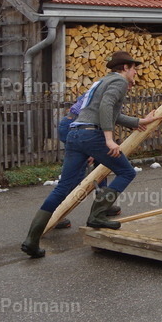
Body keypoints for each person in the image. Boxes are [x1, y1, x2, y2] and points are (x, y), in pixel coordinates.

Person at [21, 51, 158, 258]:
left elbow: (112, 112)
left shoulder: (102, 82)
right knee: (127, 172)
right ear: (124, 68)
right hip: (91, 135)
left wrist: (138, 122)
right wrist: (109, 139)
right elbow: (106, 107)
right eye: (134, 68)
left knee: (63, 188)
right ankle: (98, 215)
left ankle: (31, 240)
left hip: (75, 133)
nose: (136, 73)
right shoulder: (120, 82)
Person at [53, 80, 120, 229]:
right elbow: (102, 117)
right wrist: (89, 149)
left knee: (101, 166)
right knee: (75, 175)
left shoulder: (100, 88)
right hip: (77, 128)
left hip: (81, 127)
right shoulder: (108, 92)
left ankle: (103, 205)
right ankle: (56, 213)